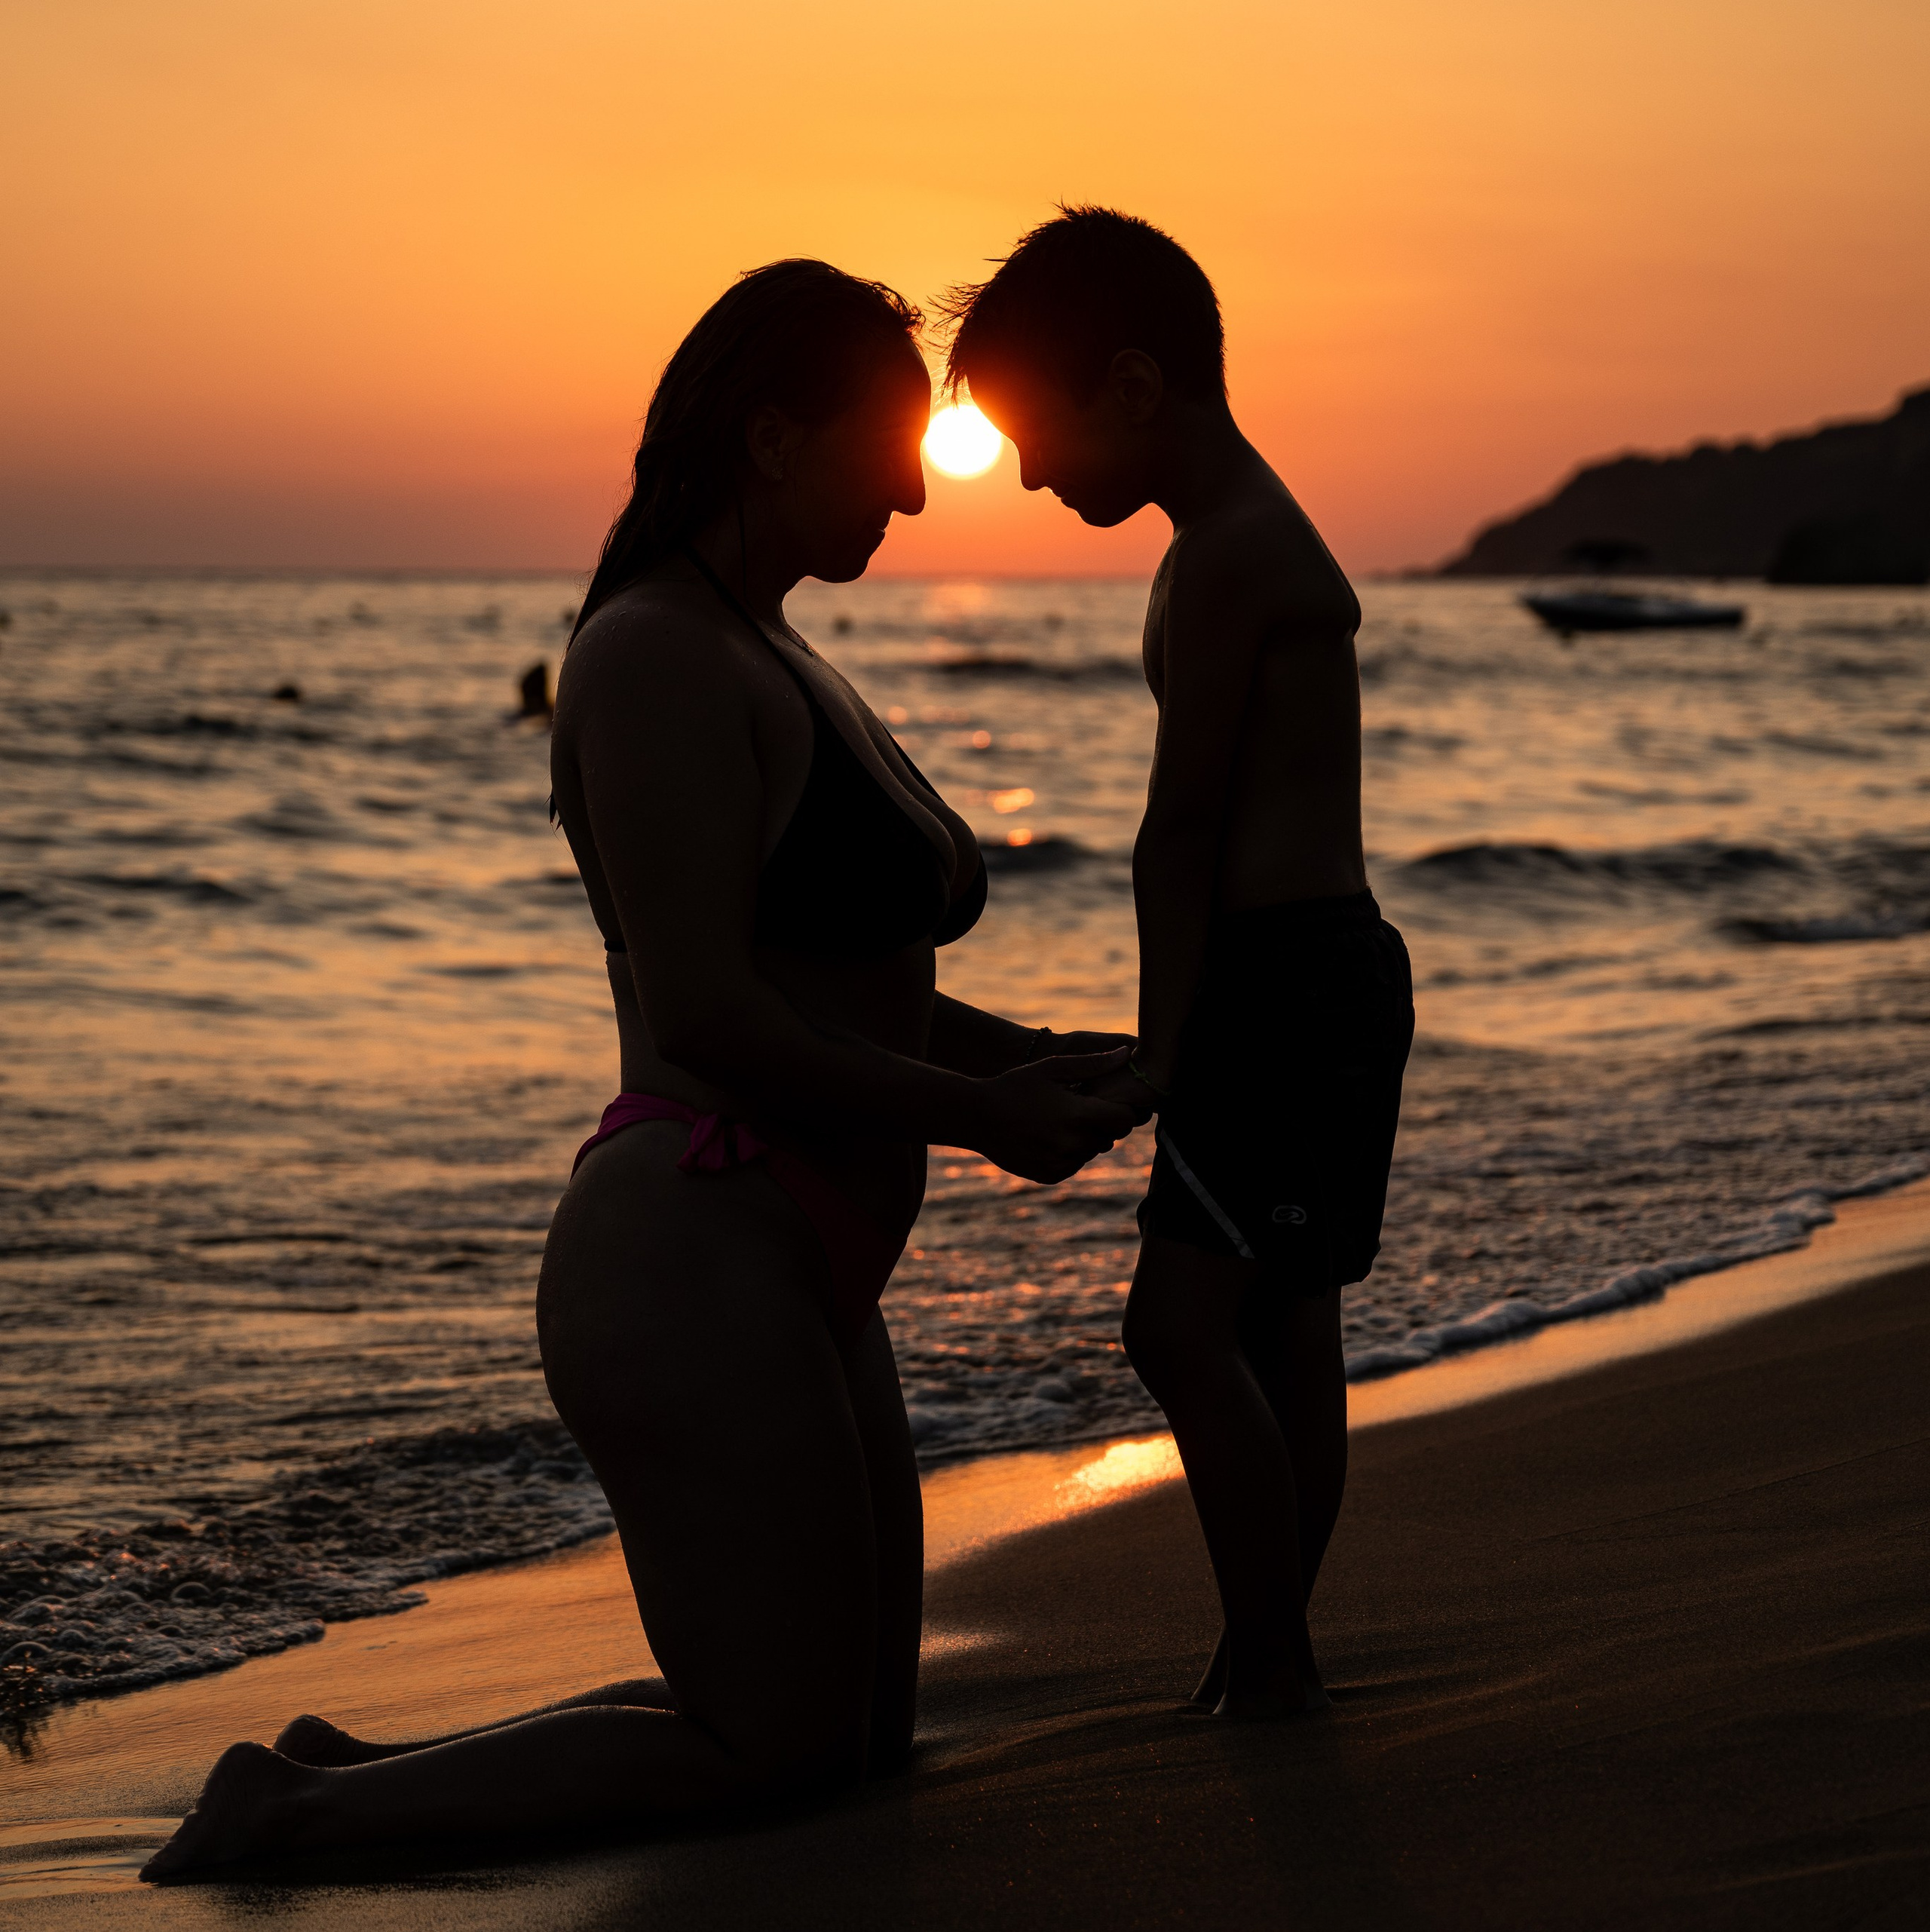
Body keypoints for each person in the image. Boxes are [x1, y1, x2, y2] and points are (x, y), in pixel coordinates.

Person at [142, 259, 1137, 1879]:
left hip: (803, 1264)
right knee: (780, 1743)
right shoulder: (653, 653)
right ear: (764, 436)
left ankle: (353, 1767)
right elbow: (709, 1016)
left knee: (852, 1739)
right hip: (690, 1255)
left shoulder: (772, 644)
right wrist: (983, 1122)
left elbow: (841, 984)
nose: (911, 488)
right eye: (885, 444)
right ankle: (290, 1816)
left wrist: (1040, 1058)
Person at [945, 209, 1414, 1718]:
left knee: (1177, 1325)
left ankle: (1269, 1654)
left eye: (1035, 434)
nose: (1023, 473)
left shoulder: (1225, 559)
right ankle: (1262, 1648)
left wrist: (1161, 1047)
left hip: (1278, 983)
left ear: (1134, 389)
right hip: (1325, 971)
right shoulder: (1242, 536)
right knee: (1284, 1321)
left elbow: (1180, 829)